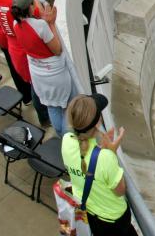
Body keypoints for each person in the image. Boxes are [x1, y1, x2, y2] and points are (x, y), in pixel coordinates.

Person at [62, 94, 137, 236]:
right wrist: (111, 153)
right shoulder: (105, 158)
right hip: (112, 220)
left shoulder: (66, 140)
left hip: (86, 212)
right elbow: (120, 191)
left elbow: (84, 161)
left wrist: (102, 150)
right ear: (98, 123)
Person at [10, 0, 79, 136]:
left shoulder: (16, 25)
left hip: (38, 73)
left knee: (51, 106)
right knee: (68, 107)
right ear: (30, 6)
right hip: (55, 75)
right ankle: (69, 138)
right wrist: (52, 23)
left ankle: (61, 136)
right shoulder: (40, 26)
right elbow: (57, 49)